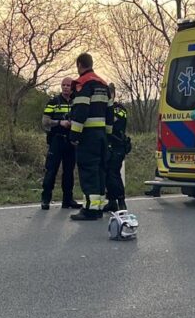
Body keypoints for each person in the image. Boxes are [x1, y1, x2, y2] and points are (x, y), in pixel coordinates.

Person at [68, 53, 112, 221]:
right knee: (100, 170)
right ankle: (99, 206)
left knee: (88, 170)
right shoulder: (103, 84)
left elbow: (80, 112)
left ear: (79, 64)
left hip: (88, 136)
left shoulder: (83, 84)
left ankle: (90, 209)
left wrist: (74, 135)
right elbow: (109, 113)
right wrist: (107, 136)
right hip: (101, 136)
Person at [40, 77, 82, 210]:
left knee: (69, 172)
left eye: (68, 85)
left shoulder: (77, 102)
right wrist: (59, 122)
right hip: (56, 140)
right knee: (51, 170)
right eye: (63, 85)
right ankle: (46, 199)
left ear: (72, 87)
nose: (65, 87)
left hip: (71, 141)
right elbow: (45, 121)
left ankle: (68, 200)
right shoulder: (53, 102)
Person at [103, 85, 131, 212]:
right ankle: (111, 201)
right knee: (107, 174)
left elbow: (113, 122)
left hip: (118, 145)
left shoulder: (119, 108)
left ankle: (121, 200)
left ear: (114, 94)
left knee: (114, 173)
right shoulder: (103, 108)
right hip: (106, 146)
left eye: (110, 93)